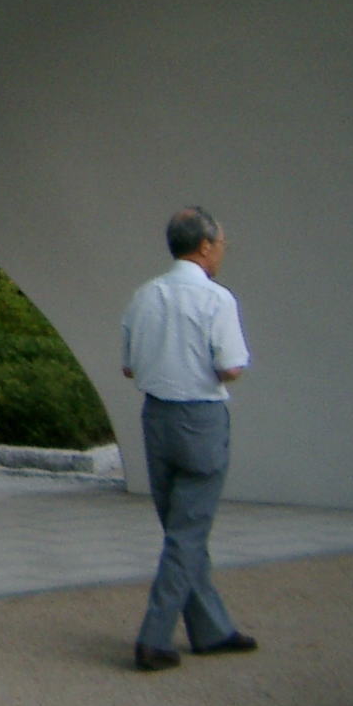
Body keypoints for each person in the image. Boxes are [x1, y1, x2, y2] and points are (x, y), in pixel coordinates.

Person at [120, 205, 257, 672]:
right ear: (204, 246)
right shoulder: (218, 300)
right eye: (220, 244)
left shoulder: (144, 296)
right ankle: (154, 636)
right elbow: (231, 367)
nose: (222, 252)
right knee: (188, 533)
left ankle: (212, 627)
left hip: (156, 416)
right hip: (201, 416)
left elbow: (128, 365)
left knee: (181, 529)